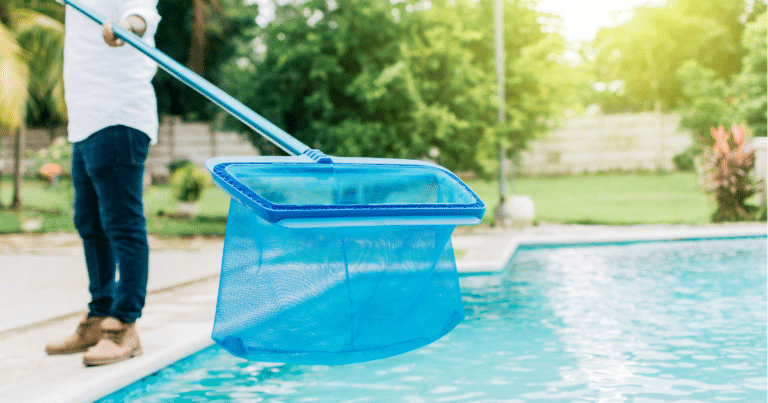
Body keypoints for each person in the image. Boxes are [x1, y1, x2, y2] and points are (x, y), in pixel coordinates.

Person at [45, 0, 160, 367]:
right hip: (86, 118)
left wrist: (129, 25)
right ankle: (99, 315)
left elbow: (144, 13)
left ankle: (124, 323)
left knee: (121, 223)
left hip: (118, 114)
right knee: (90, 222)